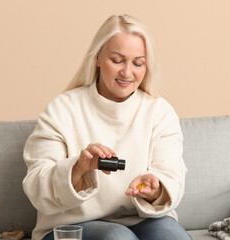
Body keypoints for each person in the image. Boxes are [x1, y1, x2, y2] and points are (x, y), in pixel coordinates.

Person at [23, 14, 191, 240]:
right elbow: (36, 186)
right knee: (117, 237)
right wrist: (78, 168)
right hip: (71, 226)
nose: (127, 73)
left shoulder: (160, 113)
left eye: (138, 63)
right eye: (118, 60)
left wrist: (155, 190)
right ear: (98, 57)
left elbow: (172, 177)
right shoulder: (62, 109)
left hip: (143, 219)